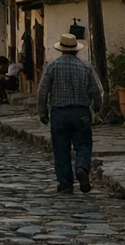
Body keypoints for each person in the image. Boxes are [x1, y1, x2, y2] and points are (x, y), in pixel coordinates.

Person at [36, 33, 103, 194]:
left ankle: (65, 183)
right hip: (81, 112)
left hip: (59, 113)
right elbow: (96, 90)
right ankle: (81, 168)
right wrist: (97, 108)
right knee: (83, 145)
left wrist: (43, 112)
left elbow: (42, 92)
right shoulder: (86, 67)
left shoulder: (52, 67)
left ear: (61, 50)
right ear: (76, 50)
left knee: (61, 148)